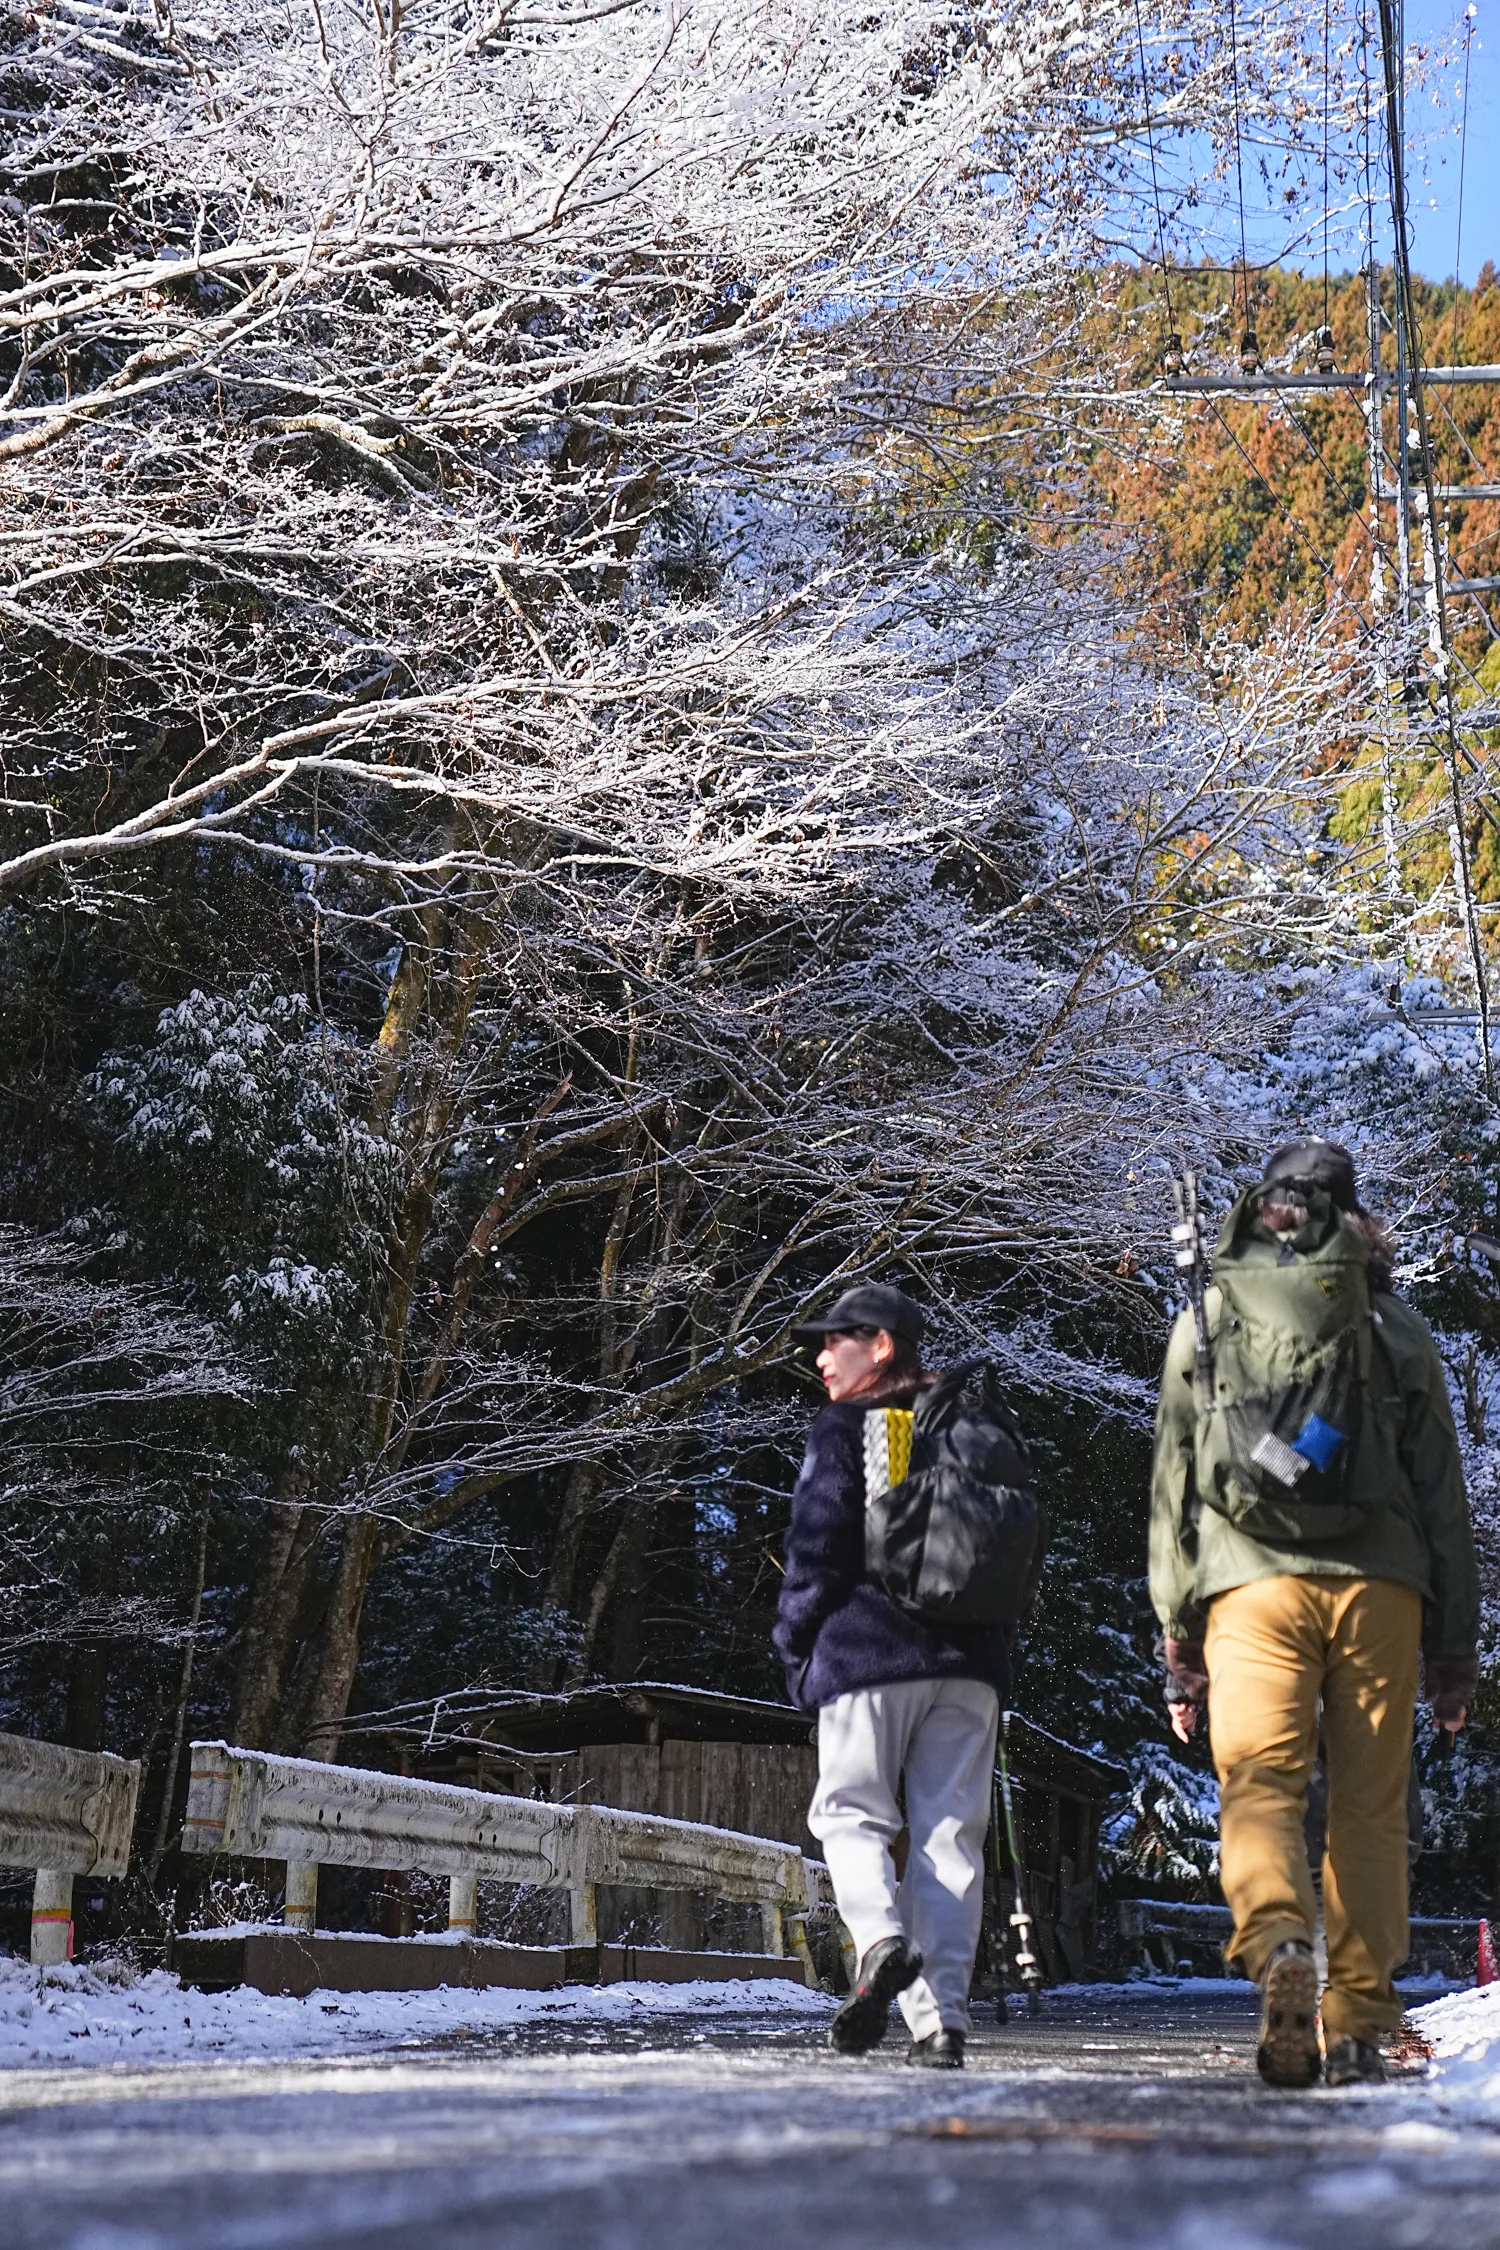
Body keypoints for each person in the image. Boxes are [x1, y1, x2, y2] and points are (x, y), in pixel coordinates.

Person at [1150, 1139, 1479, 2089]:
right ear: (1353, 1220)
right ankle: (1359, 2022)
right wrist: (1455, 1656)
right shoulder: (1396, 1330)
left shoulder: (1208, 1325)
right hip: (1380, 1594)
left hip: (1250, 1589)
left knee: (1260, 1788)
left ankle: (1282, 1943)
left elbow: (1174, 1488)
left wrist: (1179, 1639)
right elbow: (1442, 1500)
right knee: (1371, 1814)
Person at [773, 1281, 1026, 2070]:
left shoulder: (852, 1424)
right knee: (951, 1841)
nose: (820, 1357)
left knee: (851, 1817)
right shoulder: (969, 1428)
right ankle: (940, 2024)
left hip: (869, 1658)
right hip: (971, 1665)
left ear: (880, 1345)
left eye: (834, 1340)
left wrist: (795, 1646)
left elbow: (816, 1548)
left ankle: (879, 1941)